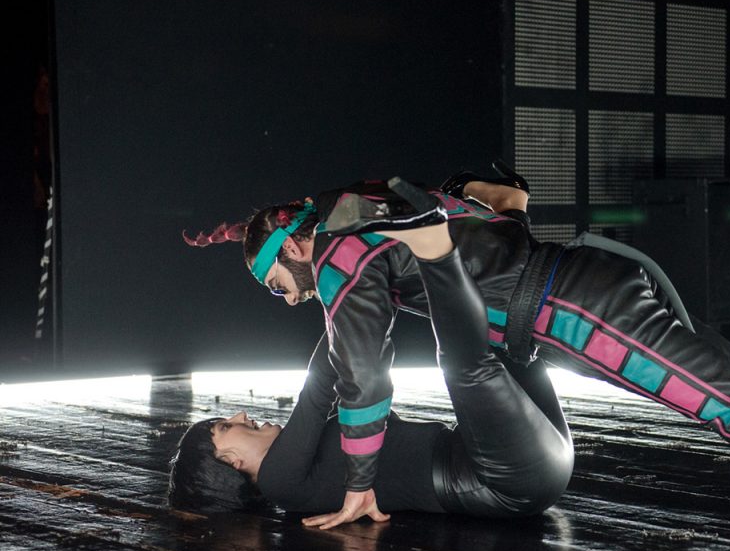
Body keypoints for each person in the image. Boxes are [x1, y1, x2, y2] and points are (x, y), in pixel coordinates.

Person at [181, 167, 730, 529]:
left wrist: (361, 483)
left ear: (294, 247)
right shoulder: (371, 212)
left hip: (576, 311)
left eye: (277, 283)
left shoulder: (340, 252)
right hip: (577, 294)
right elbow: (499, 194)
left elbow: (363, 375)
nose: (290, 298)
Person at [169, 180, 573, 524]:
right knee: (462, 361)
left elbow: (337, 362)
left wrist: (354, 298)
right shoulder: (279, 484)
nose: (240, 416)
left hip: (534, 455)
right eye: (225, 427)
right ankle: (438, 247)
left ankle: (511, 216)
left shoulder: (304, 465)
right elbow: (319, 389)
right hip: (505, 479)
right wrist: (348, 301)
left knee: (506, 330)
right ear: (231, 462)